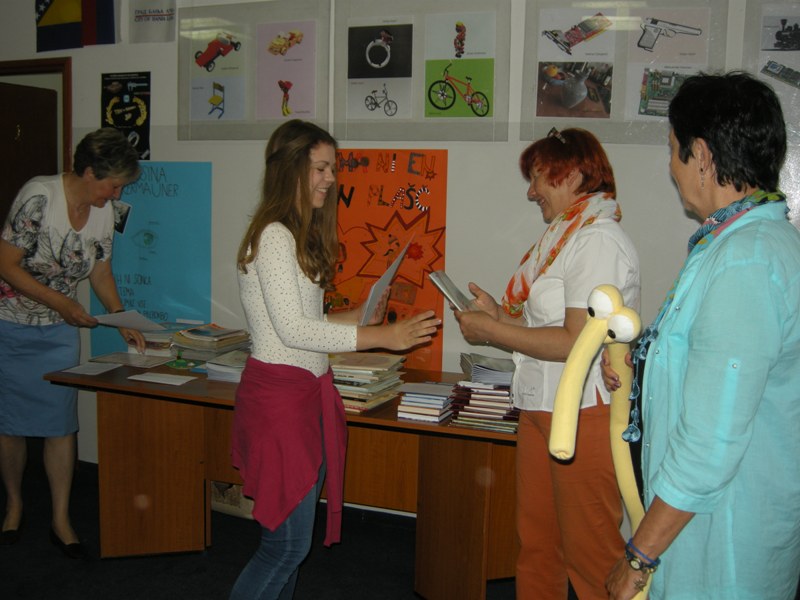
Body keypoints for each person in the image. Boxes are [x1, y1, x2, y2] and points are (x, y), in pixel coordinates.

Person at [604, 72, 800, 600]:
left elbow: (711, 442)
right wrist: (641, 367)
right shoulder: (738, 243)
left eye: (674, 150)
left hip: (723, 538)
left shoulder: (746, 261)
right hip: (714, 521)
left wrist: (640, 554)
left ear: (704, 157)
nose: (672, 168)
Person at [229, 119, 440, 600]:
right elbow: (293, 331)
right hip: (280, 402)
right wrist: (381, 335)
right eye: (320, 168)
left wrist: (358, 315)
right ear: (289, 169)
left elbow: (306, 320)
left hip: (303, 398)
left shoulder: (293, 234)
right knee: (284, 548)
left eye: (332, 168)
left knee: (290, 548)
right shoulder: (274, 236)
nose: (330, 179)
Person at [453, 127, 640, 600]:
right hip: (540, 406)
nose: (531, 191)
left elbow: (576, 341)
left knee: (591, 554)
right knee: (538, 548)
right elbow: (544, 325)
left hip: (582, 413)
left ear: (573, 175)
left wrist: (491, 330)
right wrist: (499, 315)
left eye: (538, 177)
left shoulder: (598, 241)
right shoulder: (564, 236)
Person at [0, 127, 145, 558]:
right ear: (88, 172)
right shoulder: (39, 196)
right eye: (112, 185)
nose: (116, 194)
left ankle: (60, 519)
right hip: (11, 326)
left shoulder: (103, 211)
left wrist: (120, 317)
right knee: (10, 424)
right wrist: (61, 302)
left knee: (60, 425)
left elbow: (100, 272)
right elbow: (6, 265)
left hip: (60, 332)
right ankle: (14, 505)